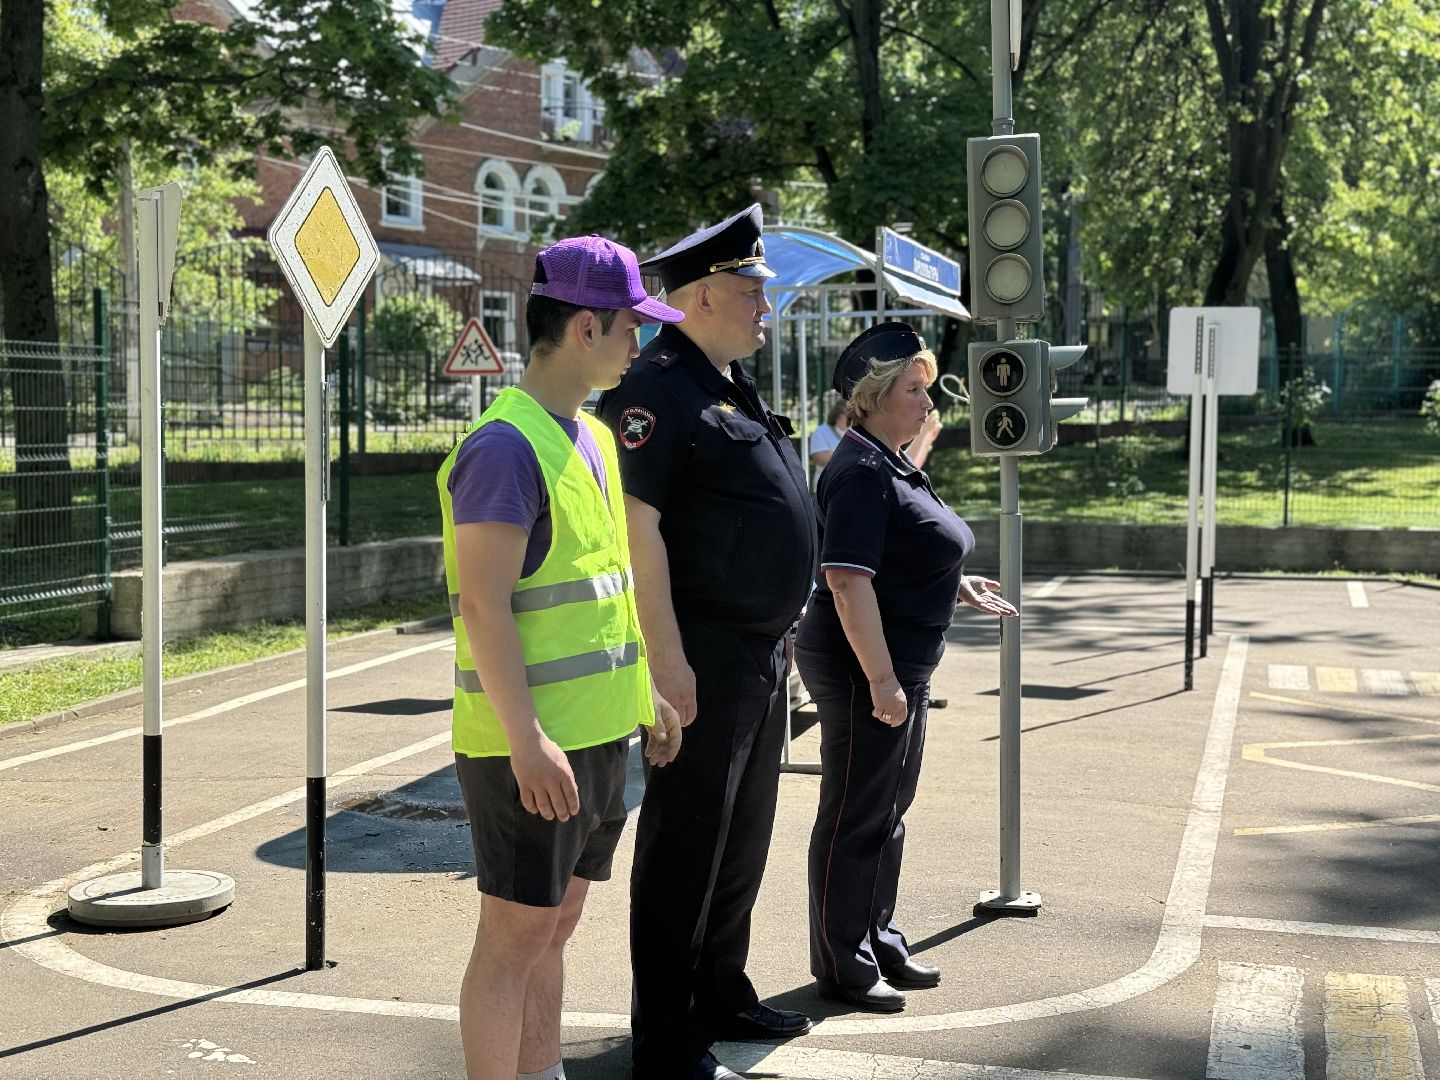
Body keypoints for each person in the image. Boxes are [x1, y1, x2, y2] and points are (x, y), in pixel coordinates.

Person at [438, 235, 687, 1080]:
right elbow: (484, 606)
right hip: (532, 748)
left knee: (555, 926)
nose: (640, 345)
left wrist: (643, 694)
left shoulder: (589, 437)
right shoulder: (504, 448)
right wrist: (526, 737)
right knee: (513, 940)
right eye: (631, 328)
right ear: (586, 328)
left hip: (595, 736)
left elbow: (600, 589)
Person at [595, 204, 819, 1080]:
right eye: (753, 291)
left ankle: (721, 991)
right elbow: (636, 524)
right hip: (703, 652)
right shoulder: (654, 387)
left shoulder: (726, 383)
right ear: (701, 297)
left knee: (741, 838)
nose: (768, 307)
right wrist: (667, 659)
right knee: (685, 849)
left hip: (759, 653)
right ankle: (668, 1040)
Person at [796, 322, 1017, 1014]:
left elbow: (901, 556)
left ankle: (876, 937)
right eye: (915, 390)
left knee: (887, 812)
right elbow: (848, 582)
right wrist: (883, 681)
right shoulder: (860, 471)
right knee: (856, 814)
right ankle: (844, 962)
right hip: (868, 666)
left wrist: (958, 584)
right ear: (870, 398)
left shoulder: (888, 460)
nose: (928, 404)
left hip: (899, 664)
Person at [808, 399, 849, 481]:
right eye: (849, 414)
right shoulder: (821, 431)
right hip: (827, 484)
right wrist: (851, 455)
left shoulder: (854, 432)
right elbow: (820, 459)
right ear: (839, 414)